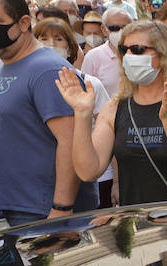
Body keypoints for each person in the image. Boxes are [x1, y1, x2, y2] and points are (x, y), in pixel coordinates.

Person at [0, 0, 95, 225]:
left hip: (44, 213)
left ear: (24, 23)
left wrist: (61, 207)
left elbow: (70, 142)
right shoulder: (10, 65)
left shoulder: (47, 70)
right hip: (18, 208)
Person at [57, 20, 167, 205]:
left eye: (137, 49)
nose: (128, 55)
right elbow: (88, 171)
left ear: (164, 54)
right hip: (139, 226)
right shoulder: (115, 108)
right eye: (123, 50)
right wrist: (82, 114)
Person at [36, 16, 114, 206]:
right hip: (42, 180)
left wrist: (117, 181)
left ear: (70, 47)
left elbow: (111, 129)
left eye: (58, 39)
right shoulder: (31, 84)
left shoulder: (90, 84)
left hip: (92, 176)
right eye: (43, 39)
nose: (50, 45)